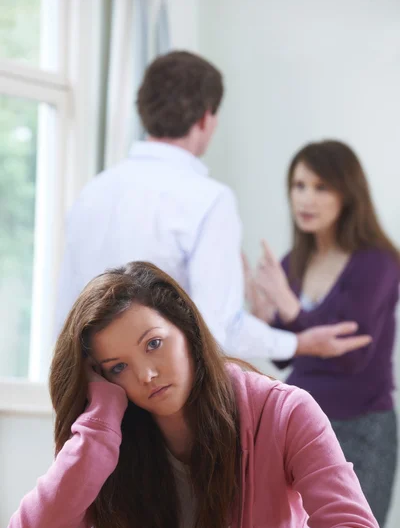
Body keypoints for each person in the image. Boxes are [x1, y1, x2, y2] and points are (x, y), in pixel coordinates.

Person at [6, 261, 387, 528]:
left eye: (153, 344)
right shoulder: (105, 432)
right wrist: (100, 424)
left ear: (186, 328)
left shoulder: (284, 411)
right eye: (119, 367)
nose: (147, 375)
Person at [56, 50, 371, 363]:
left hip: (86, 393)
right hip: (157, 394)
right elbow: (218, 331)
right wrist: (297, 343)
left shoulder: (91, 193)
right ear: (206, 117)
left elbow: (67, 314)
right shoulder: (208, 200)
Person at [246, 140, 400, 528]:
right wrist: (265, 315)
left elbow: (352, 355)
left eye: (320, 187)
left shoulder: (378, 262)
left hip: (361, 425)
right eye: (298, 186)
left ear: (348, 194)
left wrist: (290, 307)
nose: (306, 199)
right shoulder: (292, 262)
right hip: (298, 421)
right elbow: (286, 355)